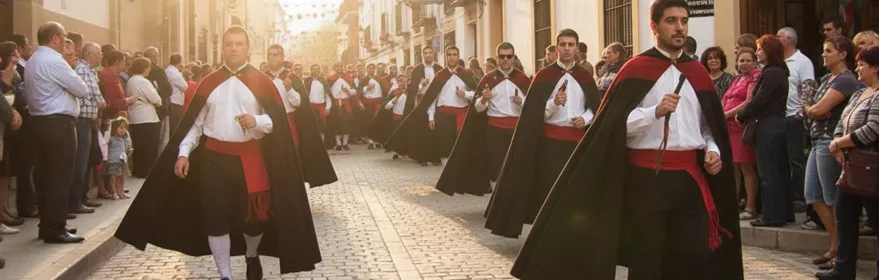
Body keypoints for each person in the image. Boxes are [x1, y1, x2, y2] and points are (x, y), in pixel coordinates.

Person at [509, 2, 742, 279]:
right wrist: (653, 112)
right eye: (671, 21)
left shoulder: (698, 73)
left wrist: (713, 150)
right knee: (647, 258)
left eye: (684, 20)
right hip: (646, 180)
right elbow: (614, 126)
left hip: (690, 180)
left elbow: (707, 128)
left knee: (693, 255)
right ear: (654, 26)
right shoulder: (635, 69)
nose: (679, 27)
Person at [114, 26, 322, 280]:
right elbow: (195, 125)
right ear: (223, 47)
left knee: (254, 222)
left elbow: (273, 123)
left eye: (238, 44)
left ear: (248, 48)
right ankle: (225, 274)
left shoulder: (262, 82)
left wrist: (255, 121)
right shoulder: (209, 82)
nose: (233, 48)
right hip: (214, 159)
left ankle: (252, 254)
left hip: (251, 159)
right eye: (228, 44)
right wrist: (183, 153)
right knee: (216, 219)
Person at [484, 28, 599, 239]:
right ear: (557, 48)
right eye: (562, 45)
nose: (566, 49)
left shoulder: (585, 76)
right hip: (550, 144)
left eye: (570, 44)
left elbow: (595, 107)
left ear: (577, 48)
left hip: (576, 143)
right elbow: (534, 113)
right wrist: (554, 103)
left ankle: (569, 234)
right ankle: (547, 234)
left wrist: (586, 118)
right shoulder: (544, 76)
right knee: (548, 189)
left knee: (573, 191)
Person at [816, 46, 879, 280]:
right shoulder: (859, 93)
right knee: (845, 216)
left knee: (875, 217)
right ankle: (843, 269)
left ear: (875, 68)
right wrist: (837, 142)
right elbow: (841, 122)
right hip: (851, 166)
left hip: (871, 165)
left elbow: (873, 129)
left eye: (862, 64)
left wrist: (840, 143)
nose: (857, 68)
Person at [435, 42, 530, 196]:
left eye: (509, 56)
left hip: (516, 129)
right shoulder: (488, 78)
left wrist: (521, 102)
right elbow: (477, 108)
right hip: (494, 129)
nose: (505, 59)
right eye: (502, 56)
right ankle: (495, 198)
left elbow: (532, 106)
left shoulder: (522, 78)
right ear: (497, 58)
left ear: (513, 57)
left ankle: (511, 197)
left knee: (515, 165)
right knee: (495, 164)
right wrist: (484, 100)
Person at [24, 21, 88, 243]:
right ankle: (55, 228)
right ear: (55, 39)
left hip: (39, 122)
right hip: (58, 124)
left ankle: (49, 224)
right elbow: (81, 88)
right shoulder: (54, 61)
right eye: (63, 36)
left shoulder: (34, 60)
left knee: (44, 176)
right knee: (59, 177)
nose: (65, 41)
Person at [802, 36, 859, 270]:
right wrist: (811, 109)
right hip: (817, 140)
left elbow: (819, 109)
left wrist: (813, 109)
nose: (823, 55)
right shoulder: (827, 78)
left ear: (843, 54)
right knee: (813, 196)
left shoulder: (846, 79)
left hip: (829, 141)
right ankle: (835, 245)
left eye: (828, 51)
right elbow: (810, 107)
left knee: (832, 199)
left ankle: (839, 250)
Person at [386, 46, 478, 166]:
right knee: (444, 147)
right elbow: (432, 97)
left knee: (461, 147)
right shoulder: (440, 75)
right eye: (449, 55)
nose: (452, 57)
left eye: (454, 54)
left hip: (462, 115)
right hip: (444, 115)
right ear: (445, 57)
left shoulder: (466, 74)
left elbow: (477, 94)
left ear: (458, 56)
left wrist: (465, 93)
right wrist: (431, 117)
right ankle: (444, 175)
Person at [738, 35, 793, 228]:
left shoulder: (772, 73)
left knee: (769, 171)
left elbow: (760, 99)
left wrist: (742, 114)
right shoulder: (776, 71)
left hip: (769, 124)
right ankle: (783, 212)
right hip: (773, 123)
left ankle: (773, 215)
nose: (757, 53)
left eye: (760, 49)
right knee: (776, 170)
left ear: (769, 51)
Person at [264, 45, 336, 187]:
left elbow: (299, 102)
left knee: (292, 155)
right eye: (270, 54)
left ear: (283, 57)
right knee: (271, 154)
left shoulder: (292, 77)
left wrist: (289, 89)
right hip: (268, 121)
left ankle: (293, 186)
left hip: (289, 120)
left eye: (276, 54)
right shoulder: (263, 78)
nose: (273, 57)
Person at [778, 26, 816, 222]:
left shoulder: (802, 62)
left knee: (796, 159)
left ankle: (799, 197)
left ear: (790, 40)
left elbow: (809, 88)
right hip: (778, 117)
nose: (777, 39)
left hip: (793, 116)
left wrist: (800, 115)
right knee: (781, 160)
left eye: (780, 36)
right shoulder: (778, 61)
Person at [722, 48, 761, 220]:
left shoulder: (755, 77)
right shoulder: (737, 78)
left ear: (754, 62)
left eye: (747, 60)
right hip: (729, 128)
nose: (744, 63)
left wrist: (727, 114)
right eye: (741, 61)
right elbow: (726, 98)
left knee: (747, 167)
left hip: (742, 127)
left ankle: (751, 207)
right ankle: (734, 203)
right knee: (733, 168)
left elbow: (749, 101)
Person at [385, 46, 443, 161]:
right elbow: (412, 90)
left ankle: (435, 156)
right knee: (421, 130)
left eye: (430, 53)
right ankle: (422, 157)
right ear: (423, 55)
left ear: (433, 54)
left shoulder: (439, 68)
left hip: (437, 102)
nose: (428, 55)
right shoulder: (418, 69)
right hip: (421, 102)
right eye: (425, 53)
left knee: (435, 129)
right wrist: (421, 85)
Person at [71, 42, 106, 213]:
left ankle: (83, 196)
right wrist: (97, 103)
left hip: (89, 120)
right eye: (98, 53)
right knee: (80, 162)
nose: (101, 56)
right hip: (82, 120)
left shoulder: (91, 71)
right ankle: (75, 200)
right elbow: (81, 95)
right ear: (89, 54)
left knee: (87, 161)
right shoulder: (82, 70)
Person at [7, 34, 37, 220]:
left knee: (26, 166)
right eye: (14, 55)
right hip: (14, 126)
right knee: (21, 168)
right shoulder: (13, 73)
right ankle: (25, 206)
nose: (18, 57)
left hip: (24, 123)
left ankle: (27, 205)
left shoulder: (19, 70)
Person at [0, 43, 25, 233]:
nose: (17, 58)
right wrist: (11, 114)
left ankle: (4, 211)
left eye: (18, 55)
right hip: (4, 127)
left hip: (11, 132)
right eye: (13, 55)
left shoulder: (16, 76)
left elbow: (21, 99)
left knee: (6, 172)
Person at [126, 57, 162, 178]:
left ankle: (138, 169)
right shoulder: (143, 81)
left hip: (135, 117)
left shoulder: (131, 80)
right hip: (146, 118)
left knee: (139, 146)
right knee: (148, 146)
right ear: (145, 68)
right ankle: (145, 171)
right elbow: (156, 99)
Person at [366, 74, 408, 154]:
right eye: (400, 81)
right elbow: (387, 106)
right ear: (397, 82)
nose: (402, 83)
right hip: (396, 116)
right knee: (394, 134)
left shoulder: (410, 91)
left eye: (404, 81)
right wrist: (394, 101)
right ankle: (394, 150)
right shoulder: (394, 92)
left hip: (406, 116)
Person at [326, 62, 360, 151]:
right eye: (337, 66)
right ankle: (338, 144)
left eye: (341, 66)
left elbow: (355, 91)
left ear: (343, 67)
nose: (339, 68)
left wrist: (348, 91)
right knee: (336, 123)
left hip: (346, 103)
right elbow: (327, 93)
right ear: (334, 68)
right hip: (335, 103)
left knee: (346, 123)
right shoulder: (330, 79)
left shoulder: (348, 78)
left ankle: (345, 143)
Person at [106, 117, 132, 199]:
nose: (123, 130)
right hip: (113, 161)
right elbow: (105, 147)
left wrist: (129, 151)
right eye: (121, 127)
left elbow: (127, 148)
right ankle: (114, 192)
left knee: (121, 177)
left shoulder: (124, 139)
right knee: (113, 177)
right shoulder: (111, 139)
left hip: (122, 161)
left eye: (125, 128)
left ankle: (121, 192)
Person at [305, 64, 331, 140]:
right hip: (311, 106)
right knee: (311, 125)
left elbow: (327, 95)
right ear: (311, 70)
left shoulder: (323, 81)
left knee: (322, 125)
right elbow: (305, 96)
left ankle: (322, 142)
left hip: (321, 106)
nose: (316, 70)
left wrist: (328, 108)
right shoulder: (307, 81)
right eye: (314, 69)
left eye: (317, 69)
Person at [166, 53, 189, 133]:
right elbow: (185, 86)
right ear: (179, 62)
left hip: (172, 101)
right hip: (175, 102)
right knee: (174, 126)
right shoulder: (173, 72)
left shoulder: (168, 70)